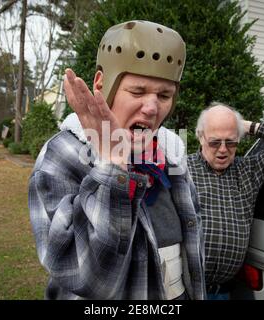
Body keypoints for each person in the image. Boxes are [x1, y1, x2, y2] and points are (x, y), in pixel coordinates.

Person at [28, 20, 205, 300]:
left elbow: (191, 240)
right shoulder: (63, 154)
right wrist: (112, 165)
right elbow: (86, 278)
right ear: (102, 83)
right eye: (137, 91)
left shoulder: (170, 152)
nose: (151, 108)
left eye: (164, 95)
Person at [187, 102, 264, 300]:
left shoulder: (250, 169)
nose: (223, 150)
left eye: (231, 141)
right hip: (183, 289)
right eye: (215, 142)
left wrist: (248, 126)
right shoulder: (182, 169)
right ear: (200, 137)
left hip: (223, 292)